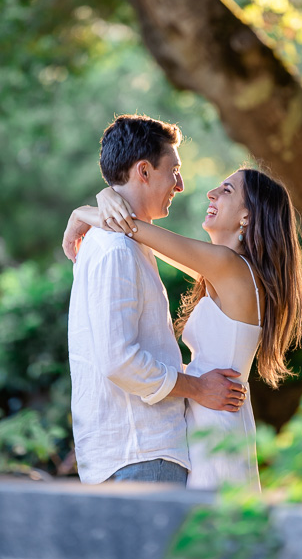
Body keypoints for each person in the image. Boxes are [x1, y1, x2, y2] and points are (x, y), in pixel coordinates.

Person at [68, 164, 302, 490]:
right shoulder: (227, 275)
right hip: (208, 411)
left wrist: (86, 210)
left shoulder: (231, 269)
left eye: (227, 190)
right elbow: (140, 235)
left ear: (247, 217)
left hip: (215, 413)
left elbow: (133, 229)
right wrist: (103, 199)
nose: (211, 192)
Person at [62, 115, 247, 485]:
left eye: (226, 191)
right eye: (174, 170)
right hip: (141, 451)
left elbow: (149, 237)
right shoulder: (117, 248)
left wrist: (91, 209)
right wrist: (197, 387)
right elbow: (119, 360)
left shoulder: (125, 244)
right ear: (143, 171)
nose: (182, 185)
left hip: (155, 445)